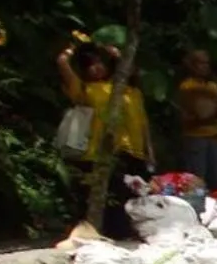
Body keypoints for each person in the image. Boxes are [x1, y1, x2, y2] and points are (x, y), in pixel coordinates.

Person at [56, 37, 153, 237]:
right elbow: (62, 65)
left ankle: (129, 230)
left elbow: (143, 123)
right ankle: (106, 232)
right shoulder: (85, 90)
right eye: (91, 65)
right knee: (107, 195)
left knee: (133, 195)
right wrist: (70, 52)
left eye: (100, 63)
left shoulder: (129, 90)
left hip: (133, 151)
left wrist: (149, 150)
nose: (96, 68)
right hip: (100, 152)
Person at [175, 49, 217, 197]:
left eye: (206, 63)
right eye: (201, 63)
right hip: (195, 137)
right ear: (192, 66)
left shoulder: (213, 86)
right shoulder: (187, 86)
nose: (205, 66)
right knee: (196, 179)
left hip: (214, 136)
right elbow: (192, 112)